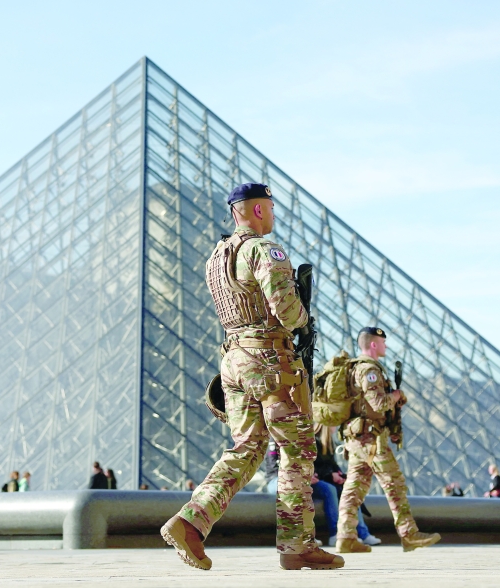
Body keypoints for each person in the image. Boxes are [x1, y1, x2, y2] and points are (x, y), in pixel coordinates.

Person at [160, 183, 343, 571]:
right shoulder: (263, 250)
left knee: (247, 448)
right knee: (297, 451)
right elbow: (286, 309)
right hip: (270, 360)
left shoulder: (215, 257)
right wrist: (305, 321)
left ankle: (191, 522)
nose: (273, 215)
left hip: (234, 360)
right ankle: (297, 545)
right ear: (258, 210)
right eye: (271, 207)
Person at [334, 327, 440, 554]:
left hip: (356, 438)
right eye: (383, 341)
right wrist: (397, 395)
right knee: (394, 484)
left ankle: (345, 536)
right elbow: (378, 404)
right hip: (371, 439)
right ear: (373, 344)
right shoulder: (369, 370)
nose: (386, 346)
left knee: (354, 488)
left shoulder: (354, 368)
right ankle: (408, 533)